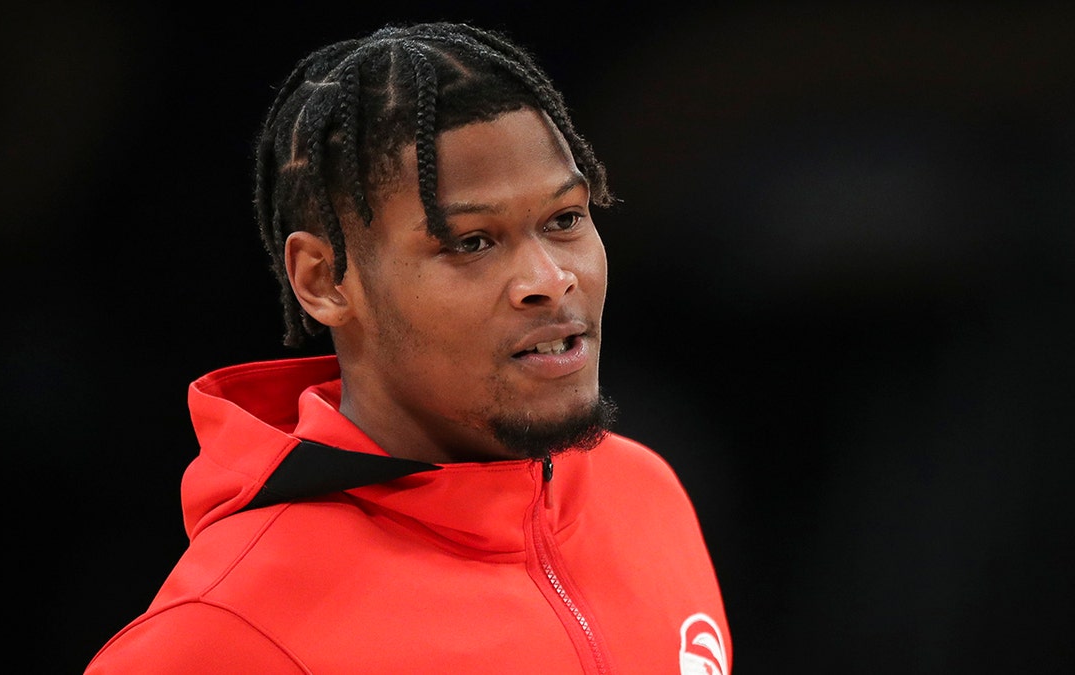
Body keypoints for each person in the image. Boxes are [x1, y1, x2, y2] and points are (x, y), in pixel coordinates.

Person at [85, 20, 731, 675]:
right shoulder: (229, 632)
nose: (549, 279)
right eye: (471, 242)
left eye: (564, 219)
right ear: (324, 280)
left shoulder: (644, 493)